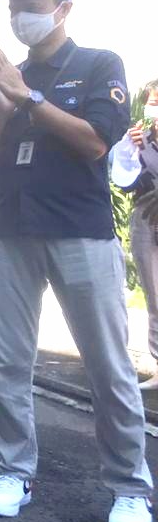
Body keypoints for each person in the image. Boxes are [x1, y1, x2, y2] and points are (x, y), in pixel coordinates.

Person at [0, 0, 152, 522]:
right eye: (13, 3)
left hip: (80, 232)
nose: (20, 13)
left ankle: (130, 488)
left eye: (32, 3)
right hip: (8, 233)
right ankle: (14, 472)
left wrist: (31, 100)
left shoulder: (99, 64)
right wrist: (3, 110)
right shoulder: (5, 79)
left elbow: (96, 143)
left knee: (108, 365)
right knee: (7, 363)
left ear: (63, 9)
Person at [110, 85, 158, 390]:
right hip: (146, 219)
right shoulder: (142, 140)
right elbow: (125, 183)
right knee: (154, 295)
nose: (153, 107)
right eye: (151, 102)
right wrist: (129, 152)